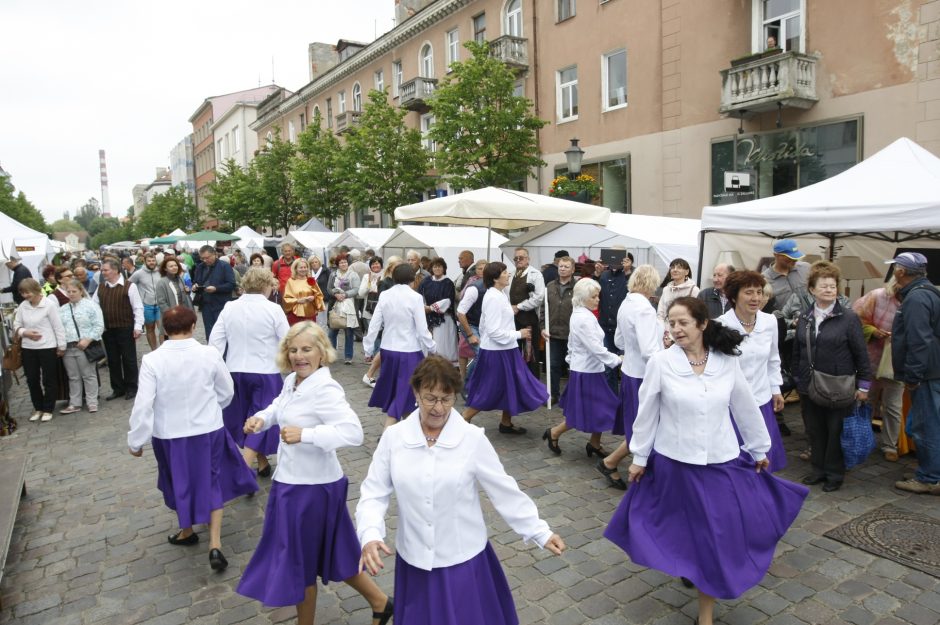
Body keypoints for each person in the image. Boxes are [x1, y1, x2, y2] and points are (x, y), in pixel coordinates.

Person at [604, 297, 807, 625]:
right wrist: (639, 457)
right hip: (675, 464)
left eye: (683, 322)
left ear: (702, 324)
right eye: (671, 322)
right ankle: (689, 566)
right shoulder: (660, 362)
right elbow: (647, 414)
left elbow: (744, 406)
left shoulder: (726, 361)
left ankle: (705, 617)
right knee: (684, 533)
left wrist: (759, 449)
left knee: (713, 538)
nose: (675, 329)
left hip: (719, 463)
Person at [357, 355, 565, 625]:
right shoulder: (394, 438)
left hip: (464, 564)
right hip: (415, 563)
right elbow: (373, 491)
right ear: (415, 393)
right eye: (430, 398)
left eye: (447, 399)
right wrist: (370, 534)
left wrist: (539, 531)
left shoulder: (471, 439)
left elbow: (503, 490)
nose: (439, 408)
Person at [237, 322, 393, 625]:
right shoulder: (293, 380)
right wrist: (260, 418)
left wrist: (306, 434)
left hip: (311, 491)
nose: (299, 355)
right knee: (331, 553)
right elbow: (279, 406)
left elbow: (353, 432)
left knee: (300, 565)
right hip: (293, 484)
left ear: (322, 352)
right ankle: (380, 602)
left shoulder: (325, 388)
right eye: (293, 350)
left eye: (306, 349)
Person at [127, 306, 257, 571]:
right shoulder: (208, 354)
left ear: (164, 329)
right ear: (193, 326)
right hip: (207, 429)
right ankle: (215, 543)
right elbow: (226, 391)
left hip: (170, 433)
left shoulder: (152, 360)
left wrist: (136, 440)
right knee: (211, 480)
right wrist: (210, 408)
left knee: (177, 479)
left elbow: (144, 403)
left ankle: (187, 530)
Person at [792, 262, 871, 493]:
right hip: (809, 385)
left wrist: (864, 386)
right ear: (812, 290)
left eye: (833, 286)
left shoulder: (848, 318)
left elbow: (861, 354)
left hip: (838, 385)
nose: (829, 289)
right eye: (824, 286)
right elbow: (797, 351)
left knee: (836, 430)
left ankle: (834, 473)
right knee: (815, 430)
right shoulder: (805, 318)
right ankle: (818, 470)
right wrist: (798, 378)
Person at [210, 268, 290, 477]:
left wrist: (216, 369)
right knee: (258, 419)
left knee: (245, 418)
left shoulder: (229, 307)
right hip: (265, 372)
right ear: (267, 285)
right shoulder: (273, 309)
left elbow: (215, 341)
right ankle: (243, 471)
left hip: (234, 371)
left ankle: (262, 464)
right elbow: (287, 340)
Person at [595, 265, 664, 490]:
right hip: (643, 374)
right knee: (645, 425)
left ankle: (620, 463)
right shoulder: (644, 308)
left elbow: (619, 341)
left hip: (630, 371)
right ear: (651, 283)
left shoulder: (627, 302)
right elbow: (649, 350)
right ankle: (617, 463)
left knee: (641, 424)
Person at [463, 262, 548, 434]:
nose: (508, 274)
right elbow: (494, 331)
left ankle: (506, 422)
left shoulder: (499, 294)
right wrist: (519, 334)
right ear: (495, 278)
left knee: (511, 385)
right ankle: (463, 418)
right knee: (490, 389)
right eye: (504, 272)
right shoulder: (494, 297)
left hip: (504, 349)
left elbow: (484, 324)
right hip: (497, 352)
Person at [542, 278, 622, 457]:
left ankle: (592, 442)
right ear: (583, 297)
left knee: (598, 408)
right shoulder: (583, 317)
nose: (598, 300)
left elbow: (574, 343)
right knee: (593, 409)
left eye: (597, 296)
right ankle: (555, 432)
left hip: (589, 369)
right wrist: (617, 360)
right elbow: (595, 348)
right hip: (588, 371)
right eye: (594, 297)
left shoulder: (581, 313)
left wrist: (572, 358)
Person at [718, 271, 787, 471]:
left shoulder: (769, 322)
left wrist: (776, 389)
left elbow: (773, 358)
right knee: (736, 462)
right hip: (731, 406)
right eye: (749, 292)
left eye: (759, 292)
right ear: (733, 296)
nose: (756, 298)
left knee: (762, 461)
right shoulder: (720, 325)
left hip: (761, 401)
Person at [888, 252, 940, 494]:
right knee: (927, 422)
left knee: (926, 424)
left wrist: (913, 376)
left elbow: (919, 341)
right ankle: (929, 471)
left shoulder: (917, 299)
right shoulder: (926, 292)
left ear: (901, 272)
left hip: (927, 373)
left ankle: (929, 478)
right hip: (931, 370)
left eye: (895, 269)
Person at [364, 263, 435, 429]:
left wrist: (368, 347)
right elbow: (422, 329)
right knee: (404, 393)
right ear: (412, 278)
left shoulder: (385, 295)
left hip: (387, 350)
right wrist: (432, 347)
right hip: (409, 351)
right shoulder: (415, 297)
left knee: (403, 393)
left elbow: (374, 324)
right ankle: (389, 435)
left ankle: (410, 431)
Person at [852, 279, 903, 462]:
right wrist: (873, 331)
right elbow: (856, 319)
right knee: (867, 401)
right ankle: (864, 439)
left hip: (896, 362)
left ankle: (890, 445)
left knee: (893, 406)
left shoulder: (914, 299)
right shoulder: (876, 296)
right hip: (871, 358)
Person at [13, 278, 66, 422]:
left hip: (47, 346)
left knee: (49, 378)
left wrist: (61, 346)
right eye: (23, 293)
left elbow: (58, 326)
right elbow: (16, 324)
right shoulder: (23, 306)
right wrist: (25, 332)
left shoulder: (48, 305)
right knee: (31, 379)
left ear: (35, 289)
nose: (25, 296)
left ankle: (48, 408)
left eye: (27, 292)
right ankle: (38, 407)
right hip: (28, 347)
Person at [93, 258, 144, 401]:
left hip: (125, 328)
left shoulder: (129, 286)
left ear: (115, 270)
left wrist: (138, 326)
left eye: (105, 270)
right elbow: (94, 307)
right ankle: (117, 388)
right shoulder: (101, 287)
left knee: (129, 359)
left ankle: (132, 387)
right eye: (102, 270)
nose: (103, 272)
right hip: (108, 330)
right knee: (113, 360)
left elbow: (138, 307)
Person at [58, 278, 104, 415]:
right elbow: (60, 327)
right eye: (69, 291)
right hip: (68, 346)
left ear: (81, 291)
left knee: (88, 374)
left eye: (74, 291)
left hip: (84, 345)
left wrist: (88, 339)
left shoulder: (90, 305)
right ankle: (75, 402)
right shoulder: (63, 309)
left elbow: (99, 325)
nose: (71, 294)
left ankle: (92, 401)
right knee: (73, 376)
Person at [540, 256, 577, 403]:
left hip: (571, 334)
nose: (562, 269)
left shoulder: (578, 287)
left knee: (572, 367)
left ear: (573, 270)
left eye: (566, 266)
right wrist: (542, 327)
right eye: (561, 266)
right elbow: (543, 308)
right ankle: (554, 394)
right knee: (553, 365)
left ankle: (572, 395)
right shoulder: (549, 286)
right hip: (553, 333)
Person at [362, 256, 403, 387]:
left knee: (386, 349)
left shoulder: (396, 282)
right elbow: (384, 303)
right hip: (390, 321)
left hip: (396, 320)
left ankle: (373, 375)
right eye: (398, 266)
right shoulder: (385, 282)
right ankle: (372, 375)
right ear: (391, 267)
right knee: (385, 349)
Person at [507, 247, 545, 378]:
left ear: (528, 259)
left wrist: (519, 306)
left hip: (529, 320)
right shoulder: (511, 274)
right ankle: (518, 381)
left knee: (531, 354)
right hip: (513, 321)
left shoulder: (536, 274)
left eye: (521, 258)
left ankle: (533, 384)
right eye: (516, 258)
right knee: (515, 351)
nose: (518, 260)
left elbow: (539, 298)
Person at [598, 251, 633, 389]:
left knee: (626, 367)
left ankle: (625, 398)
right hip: (606, 326)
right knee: (608, 366)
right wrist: (597, 273)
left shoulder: (630, 275)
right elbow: (593, 292)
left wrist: (628, 271)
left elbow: (635, 290)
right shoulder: (604, 275)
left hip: (624, 328)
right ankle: (612, 399)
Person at [418, 258, 458, 365]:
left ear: (444, 268)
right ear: (431, 268)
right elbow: (419, 297)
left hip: (444, 319)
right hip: (427, 318)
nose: (437, 268)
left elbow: (448, 300)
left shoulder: (448, 283)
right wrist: (422, 307)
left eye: (439, 266)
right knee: (426, 343)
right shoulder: (426, 282)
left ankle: (442, 367)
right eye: (435, 266)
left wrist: (430, 308)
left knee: (441, 345)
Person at [193, 245, 237, 340]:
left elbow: (231, 284)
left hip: (221, 304)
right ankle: (211, 351)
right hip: (206, 304)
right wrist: (195, 286)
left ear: (214, 254)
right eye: (202, 258)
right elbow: (196, 281)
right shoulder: (200, 267)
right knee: (209, 333)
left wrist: (216, 288)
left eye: (207, 258)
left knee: (222, 333)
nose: (205, 260)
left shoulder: (224, 266)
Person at [456, 259, 487, 385]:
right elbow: (461, 308)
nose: (483, 271)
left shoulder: (492, 284)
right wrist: (469, 334)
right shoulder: (473, 284)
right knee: (478, 353)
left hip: (482, 325)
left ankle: (477, 382)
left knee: (483, 355)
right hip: (469, 324)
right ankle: (466, 383)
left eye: (485, 269)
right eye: (480, 269)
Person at [327, 255, 360, 364]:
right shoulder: (333, 274)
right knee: (333, 330)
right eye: (341, 262)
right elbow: (329, 288)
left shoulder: (353, 275)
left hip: (349, 305)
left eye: (345, 262)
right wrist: (335, 294)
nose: (343, 264)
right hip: (335, 304)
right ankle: (331, 354)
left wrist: (345, 294)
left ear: (348, 263)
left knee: (349, 331)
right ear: (337, 264)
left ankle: (348, 356)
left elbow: (356, 289)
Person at [762, 239, 810, 313]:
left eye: (796, 257)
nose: (794, 260)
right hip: (784, 322)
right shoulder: (765, 279)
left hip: (810, 319)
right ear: (776, 255)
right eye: (789, 257)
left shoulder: (806, 268)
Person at [129, 253, 163, 351]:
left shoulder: (160, 272)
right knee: (150, 329)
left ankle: (163, 351)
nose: (151, 263)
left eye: (153, 260)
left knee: (162, 329)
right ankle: (154, 350)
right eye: (149, 261)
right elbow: (129, 285)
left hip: (160, 304)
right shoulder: (138, 273)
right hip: (146, 305)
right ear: (145, 261)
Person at [154, 256, 193, 339]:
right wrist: (171, 315)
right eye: (171, 266)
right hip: (171, 318)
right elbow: (161, 302)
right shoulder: (162, 282)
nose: (174, 267)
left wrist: (187, 291)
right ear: (165, 269)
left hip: (182, 316)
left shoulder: (180, 279)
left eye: (175, 265)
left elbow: (183, 296)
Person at [282, 258, 325, 327]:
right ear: (295, 269)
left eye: (305, 267)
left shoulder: (311, 280)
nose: (303, 269)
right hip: (295, 315)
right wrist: (298, 300)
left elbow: (319, 295)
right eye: (301, 267)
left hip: (310, 314)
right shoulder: (291, 281)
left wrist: (314, 298)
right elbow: (286, 299)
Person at [358, 256, 384, 346]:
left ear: (381, 265)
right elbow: (361, 293)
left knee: (381, 334)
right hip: (369, 310)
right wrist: (369, 284)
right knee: (372, 333)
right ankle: (373, 354)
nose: (375, 265)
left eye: (377, 263)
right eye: (373, 264)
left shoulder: (385, 275)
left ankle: (377, 354)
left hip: (383, 309)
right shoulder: (366, 276)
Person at [308, 255, 330, 328]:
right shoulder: (309, 273)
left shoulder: (326, 271)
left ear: (319, 262)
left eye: (316, 262)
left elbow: (330, 284)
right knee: (314, 321)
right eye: (312, 262)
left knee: (323, 321)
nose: (314, 264)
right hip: (312, 300)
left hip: (323, 299)